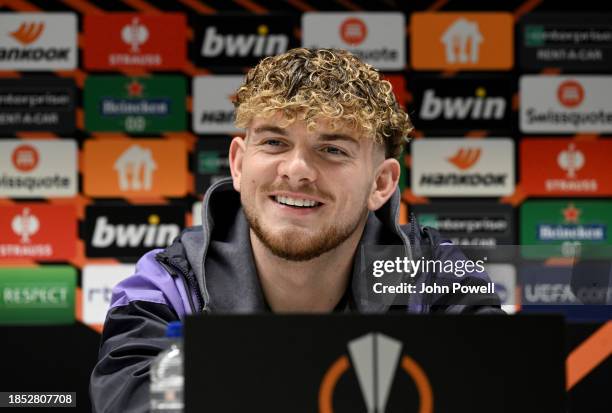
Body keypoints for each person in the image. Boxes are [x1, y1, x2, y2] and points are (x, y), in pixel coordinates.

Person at [90, 48, 502, 412]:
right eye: (274, 142)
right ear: (237, 163)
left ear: (381, 184)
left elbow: (506, 389)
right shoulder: (168, 286)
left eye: (332, 149)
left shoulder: (437, 279)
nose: (297, 171)